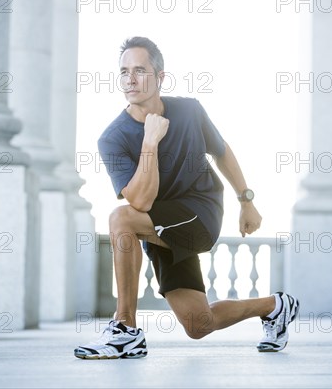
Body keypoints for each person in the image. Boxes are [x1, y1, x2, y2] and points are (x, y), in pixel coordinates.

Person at [74, 37, 299, 359]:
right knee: (198, 324)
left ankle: (125, 328)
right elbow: (141, 202)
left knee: (119, 217)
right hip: (160, 225)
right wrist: (149, 143)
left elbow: (222, 152)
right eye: (124, 71)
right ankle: (276, 306)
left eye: (140, 70)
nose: (130, 79)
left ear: (160, 77)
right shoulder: (113, 138)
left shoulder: (189, 110)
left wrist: (246, 200)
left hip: (199, 213)